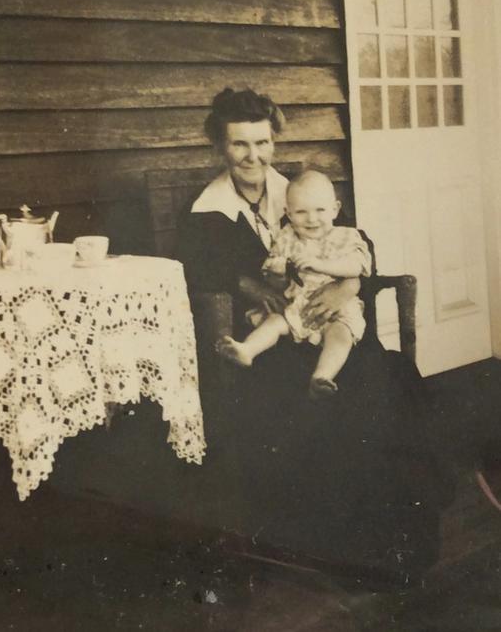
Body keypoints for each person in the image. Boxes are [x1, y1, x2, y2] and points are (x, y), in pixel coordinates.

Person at [176, 87, 452, 583]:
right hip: (276, 339)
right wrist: (251, 285)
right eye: (239, 145)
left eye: (262, 143)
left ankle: (401, 531)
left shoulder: (300, 191)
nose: (252, 156)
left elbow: (355, 243)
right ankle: (337, 546)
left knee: (382, 374)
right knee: (314, 403)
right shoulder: (208, 211)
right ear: (220, 146)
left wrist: (349, 284)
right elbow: (206, 274)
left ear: (274, 142)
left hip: (330, 329)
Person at [219, 170, 372, 400]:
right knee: (275, 321)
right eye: (301, 212)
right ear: (288, 214)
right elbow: (274, 282)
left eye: (320, 210)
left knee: (340, 335)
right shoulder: (287, 237)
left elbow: (357, 266)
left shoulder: (347, 236)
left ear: (335, 209)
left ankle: (322, 376)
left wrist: (321, 265)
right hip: (297, 303)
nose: (311, 219)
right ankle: (247, 350)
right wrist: (276, 275)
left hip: (339, 308)